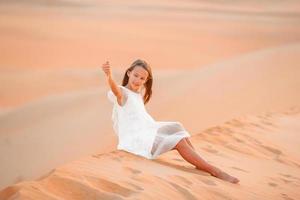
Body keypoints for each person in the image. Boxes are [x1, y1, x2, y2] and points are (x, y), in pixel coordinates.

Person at [102, 59, 239, 184]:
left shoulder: (137, 95)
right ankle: (214, 170)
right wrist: (109, 76)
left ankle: (199, 162)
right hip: (138, 141)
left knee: (178, 129)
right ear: (129, 73)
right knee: (179, 142)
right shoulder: (122, 93)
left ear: (146, 80)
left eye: (142, 78)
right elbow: (115, 91)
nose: (138, 80)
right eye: (136, 75)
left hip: (147, 131)